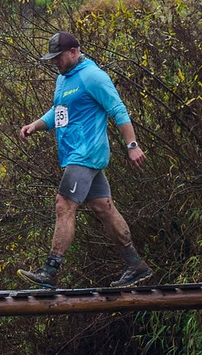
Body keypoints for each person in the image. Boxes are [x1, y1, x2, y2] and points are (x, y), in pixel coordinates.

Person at [15, 29, 153, 288]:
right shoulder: (63, 79)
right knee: (103, 208)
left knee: (64, 205)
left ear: (74, 52)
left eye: (58, 57)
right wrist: (35, 125)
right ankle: (136, 265)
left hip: (86, 153)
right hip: (73, 154)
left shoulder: (93, 76)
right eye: (52, 59)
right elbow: (59, 111)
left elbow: (117, 109)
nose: (55, 63)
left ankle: (50, 270)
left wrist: (132, 145)